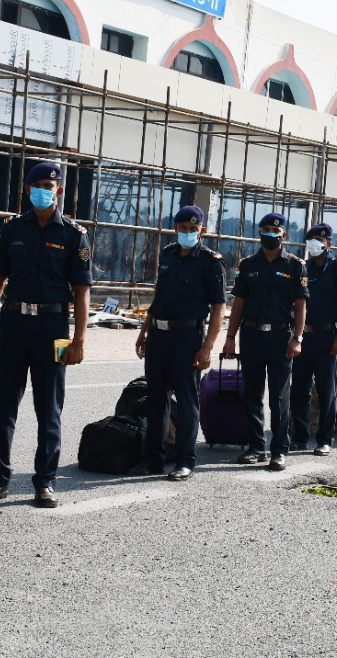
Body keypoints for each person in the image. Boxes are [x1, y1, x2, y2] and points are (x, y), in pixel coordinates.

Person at [0, 162, 91, 508]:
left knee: (48, 409)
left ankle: (45, 482)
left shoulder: (73, 234)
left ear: (60, 191)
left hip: (52, 330)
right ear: (26, 189)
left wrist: (79, 340)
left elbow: (82, 291)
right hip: (13, 325)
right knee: (4, 406)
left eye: (49, 184)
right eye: (36, 184)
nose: (43, 189)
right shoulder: (11, 229)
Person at [132, 206, 226, 481]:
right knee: (156, 399)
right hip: (159, 335)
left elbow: (219, 308)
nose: (186, 232)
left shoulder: (210, 261)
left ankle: (185, 460)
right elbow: (159, 297)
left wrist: (208, 346)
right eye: (182, 228)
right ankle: (153, 460)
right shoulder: (169, 254)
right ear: (175, 228)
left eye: (192, 229)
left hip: (188, 338)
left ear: (202, 231)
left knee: (186, 401)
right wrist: (143, 331)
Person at [222, 212, 307, 471]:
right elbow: (238, 303)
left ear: (284, 235)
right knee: (252, 394)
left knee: (279, 397)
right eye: (266, 228)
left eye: (276, 229)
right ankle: (257, 447)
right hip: (252, 335)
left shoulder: (294, 265)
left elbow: (301, 305)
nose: (271, 233)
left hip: (281, 337)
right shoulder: (248, 264)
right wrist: (229, 338)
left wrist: (297, 338)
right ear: (259, 232)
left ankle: (279, 450)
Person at [290, 223, 337, 456]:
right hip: (303, 336)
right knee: (299, 388)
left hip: (328, 336)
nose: (315, 243)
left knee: (326, 391)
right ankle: (299, 435)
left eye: (320, 239)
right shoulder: (303, 268)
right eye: (311, 239)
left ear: (329, 244)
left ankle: (325, 438)